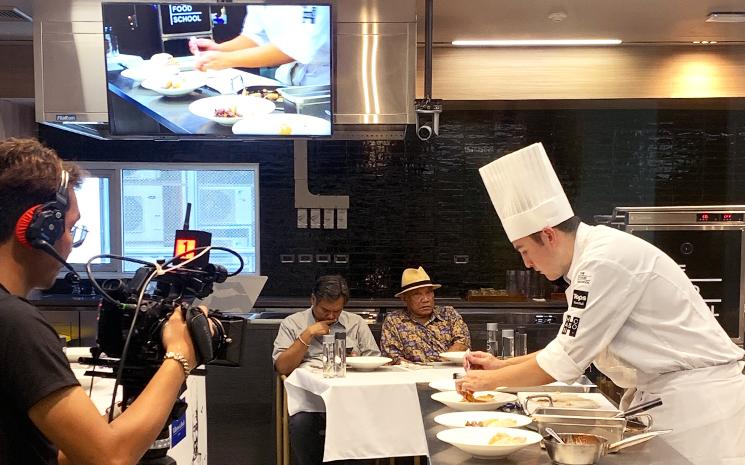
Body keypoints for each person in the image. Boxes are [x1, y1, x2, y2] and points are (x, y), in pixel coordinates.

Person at [457, 142, 745, 465]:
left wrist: (488, 381)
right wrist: (501, 367)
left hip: (702, 413)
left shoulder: (601, 262)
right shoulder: (590, 260)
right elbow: (568, 346)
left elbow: (563, 362)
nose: (526, 264)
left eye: (524, 250)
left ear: (549, 235)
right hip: (673, 400)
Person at [0, 138, 204, 465]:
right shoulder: (15, 324)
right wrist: (180, 355)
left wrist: (113, 429)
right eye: (70, 228)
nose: (71, 243)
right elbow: (110, 459)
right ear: (40, 228)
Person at [272, 274, 380, 465]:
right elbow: (282, 366)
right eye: (325, 310)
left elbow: (375, 360)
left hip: (351, 399)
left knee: (365, 423)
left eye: (337, 311)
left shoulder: (356, 323)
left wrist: (357, 362)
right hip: (309, 401)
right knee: (301, 424)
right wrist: (308, 334)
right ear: (313, 300)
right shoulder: (293, 323)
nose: (331, 316)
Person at [190, 5, 330, 86]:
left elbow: (299, 46)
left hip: (329, 82)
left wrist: (226, 60)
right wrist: (219, 49)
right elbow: (255, 37)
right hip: (290, 82)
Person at [380, 266, 470, 363]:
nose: (425, 299)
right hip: (411, 374)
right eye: (417, 294)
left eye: (428, 292)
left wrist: (440, 365)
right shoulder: (394, 320)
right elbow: (393, 357)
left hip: (448, 370)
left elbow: (462, 343)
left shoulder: (448, 314)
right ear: (404, 298)